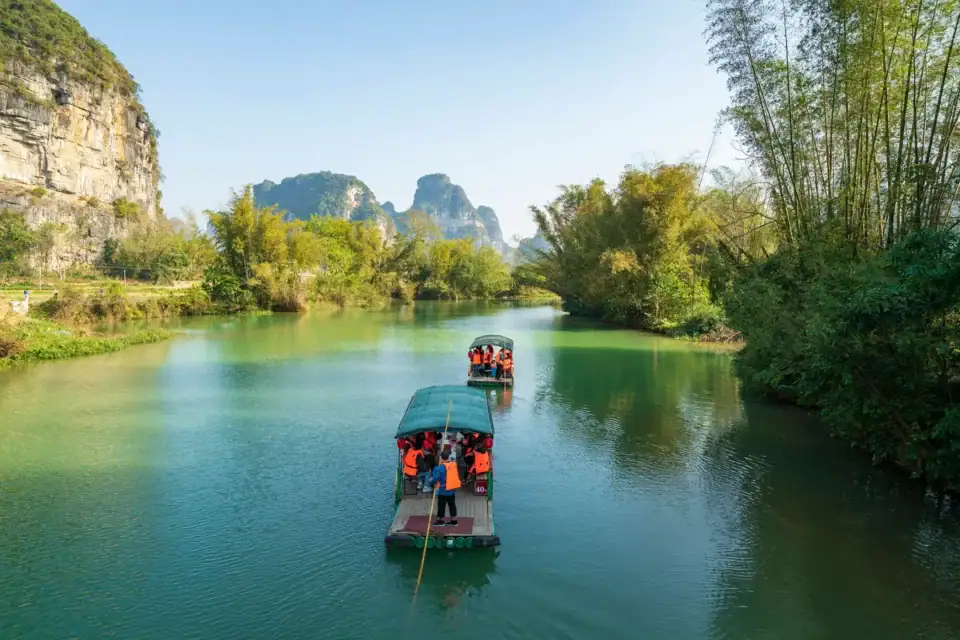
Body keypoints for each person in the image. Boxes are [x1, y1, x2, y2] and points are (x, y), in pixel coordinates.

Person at [428, 449, 461, 526]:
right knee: (452, 505)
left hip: (443, 490)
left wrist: (430, 480)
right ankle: (454, 521)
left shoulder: (439, 468)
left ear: (441, 458)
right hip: (452, 489)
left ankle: (441, 521)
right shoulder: (454, 465)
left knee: (441, 505)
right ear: (448, 457)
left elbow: (435, 478)